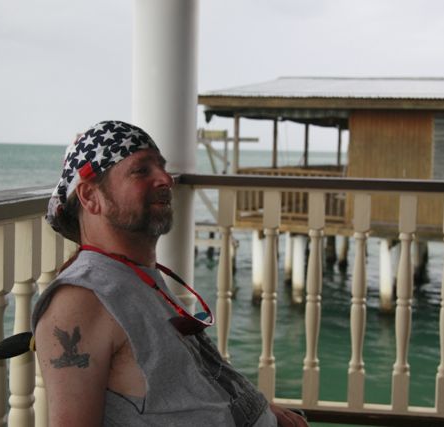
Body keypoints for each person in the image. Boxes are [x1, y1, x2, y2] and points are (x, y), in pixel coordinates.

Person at [32, 120, 308, 426]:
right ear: (90, 196)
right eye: (141, 170)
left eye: (161, 168)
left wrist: (263, 409)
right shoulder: (80, 302)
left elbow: (195, 378)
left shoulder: (134, 274)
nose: (166, 179)